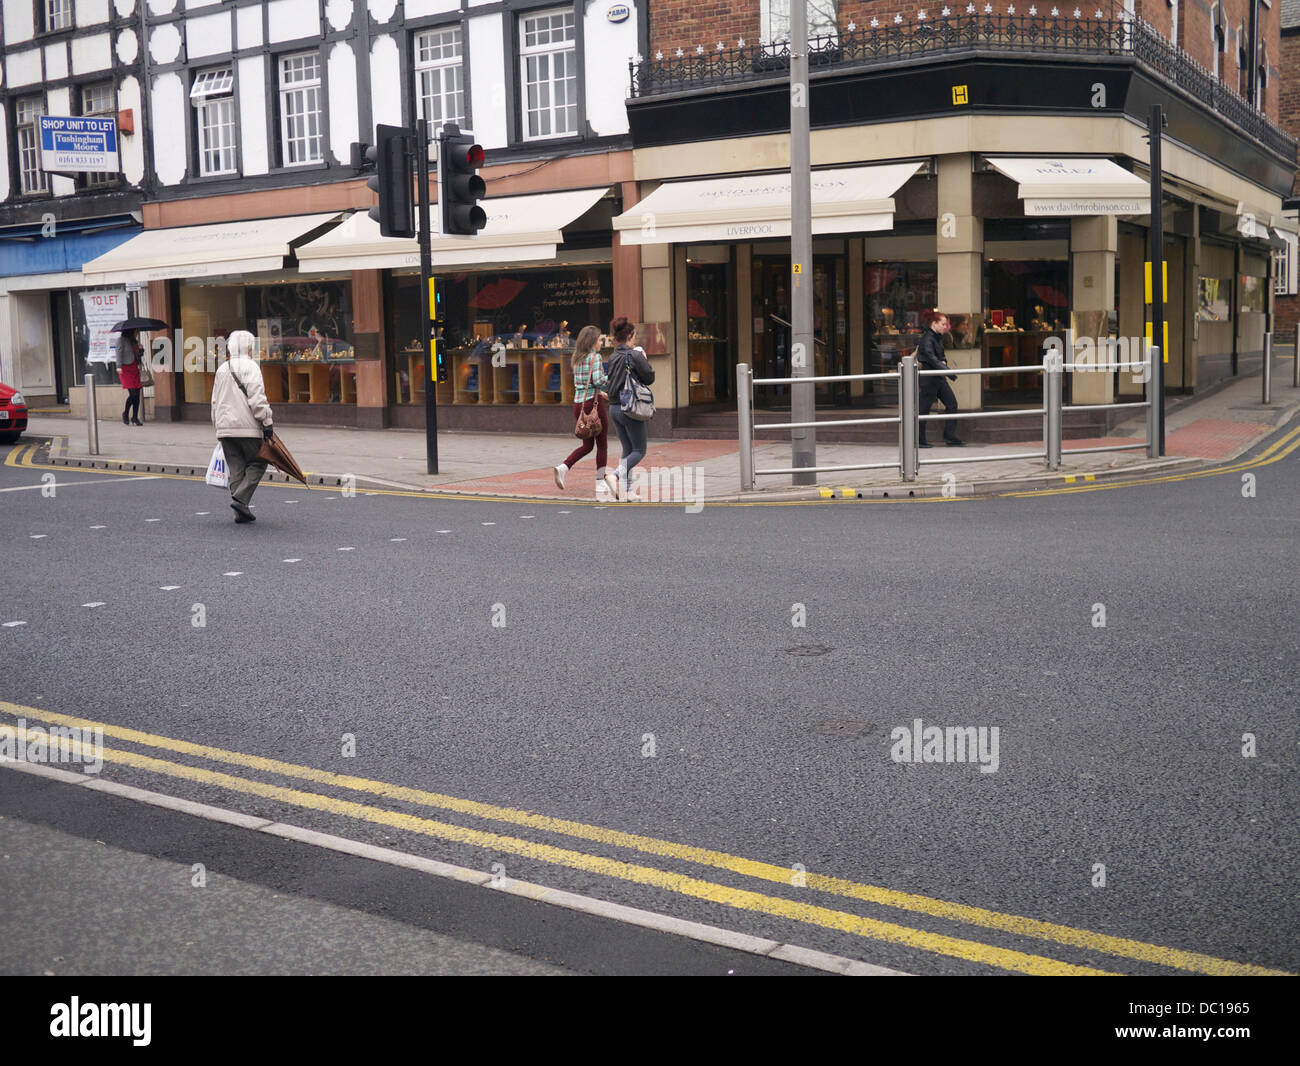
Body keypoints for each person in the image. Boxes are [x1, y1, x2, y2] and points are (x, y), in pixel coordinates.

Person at [211, 329, 274, 523]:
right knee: (260, 461)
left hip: (224, 427)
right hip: (247, 427)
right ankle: (241, 500)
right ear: (248, 346)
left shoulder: (222, 368)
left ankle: (240, 511)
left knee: (236, 468)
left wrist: (217, 425)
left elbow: (214, 401)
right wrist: (267, 421)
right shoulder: (251, 367)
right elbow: (257, 399)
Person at [554, 325, 611, 497]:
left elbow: (584, 383)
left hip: (578, 405)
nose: (601, 342)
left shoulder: (577, 357)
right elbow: (598, 380)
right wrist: (613, 376)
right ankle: (601, 484)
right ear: (593, 341)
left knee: (587, 445)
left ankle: (564, 467)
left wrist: (597, 391)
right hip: (593, 405)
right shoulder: (596, 357)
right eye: (600, 339)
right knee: (602, 445)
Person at [603, 315, 655, 501]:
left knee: (627, 449)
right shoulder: (634, 355)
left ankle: (628, 492)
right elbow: (649, 377)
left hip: (614, 408)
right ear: (631, 335)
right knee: (639, 450)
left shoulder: (613, 356)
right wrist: (644, 360)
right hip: (630, 408)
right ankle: (614, 476)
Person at [915, 313, 965, 447]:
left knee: (952, 404)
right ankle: (919, 440)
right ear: (934, 324)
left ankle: (949, 436)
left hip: (938, 378)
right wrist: (948, 372)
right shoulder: (928, 339)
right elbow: (931, 358)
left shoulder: (937, 338)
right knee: (924, 409)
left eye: (946, 324)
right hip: (930, 379)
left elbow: (939, 357)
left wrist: (944, 365)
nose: (945, 327)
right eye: (943, 324)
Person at [115, 329, 144, 426]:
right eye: (136, 332)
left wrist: (141, 349)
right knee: (133, 394)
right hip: (125, 369)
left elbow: (139, 356)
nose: (137, 334)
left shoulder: (134, 341)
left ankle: (135, 417)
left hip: (134, 368)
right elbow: (118, 353)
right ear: (130, 331)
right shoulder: (121, 340)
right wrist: (118, 366)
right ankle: (126, 413)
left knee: (137, 394)